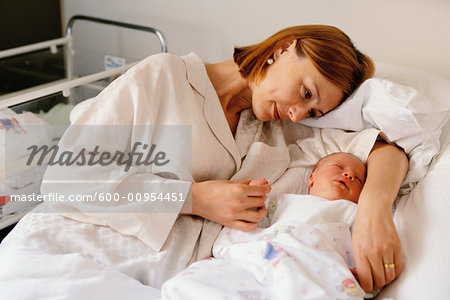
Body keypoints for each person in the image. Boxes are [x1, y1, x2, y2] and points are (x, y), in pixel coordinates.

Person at [0, 25, 407, 297]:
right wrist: (192, 198)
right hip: (73, 251)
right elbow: (66, 178)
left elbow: (385, 149)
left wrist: (374, 210)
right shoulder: (166, 78)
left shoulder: (274, 130)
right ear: (284, 49)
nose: (302, 114)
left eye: (315, 112)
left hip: (163, 281)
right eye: (305, 92)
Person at [160, 153, 375, 299]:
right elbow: (252, 221)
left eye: (358, 179)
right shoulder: (283, 201)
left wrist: (364, 276)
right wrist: (254, 198)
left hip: (313, 263)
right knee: (197, 281)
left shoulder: (353, 212)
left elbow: (369, 250)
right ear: (311, 178)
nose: (349, 175)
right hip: (264, 255)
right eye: (338, 167)